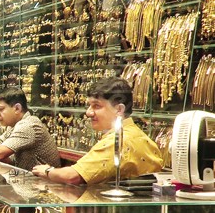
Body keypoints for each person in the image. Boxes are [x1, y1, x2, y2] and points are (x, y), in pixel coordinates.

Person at [31, 77, 163, 184]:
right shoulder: (136, 134)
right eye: (89, 106)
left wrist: (47, 171)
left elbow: (73, 176)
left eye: (97, 106)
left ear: (119, 110)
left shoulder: (119, 140)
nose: (88, 112)